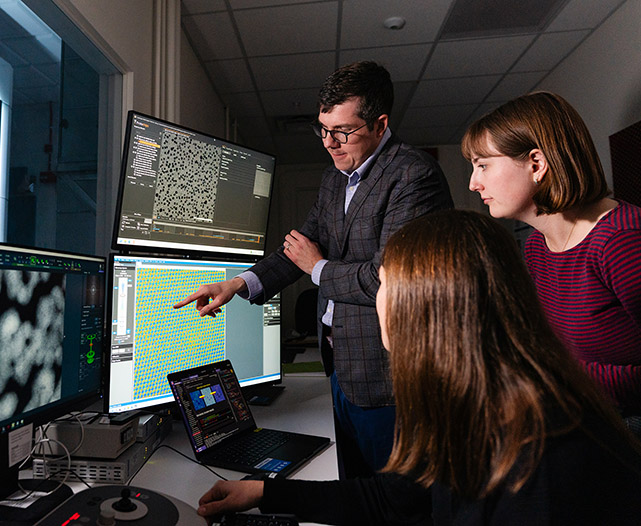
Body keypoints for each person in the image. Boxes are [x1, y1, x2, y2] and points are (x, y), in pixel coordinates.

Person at [196, 210, 641, 525]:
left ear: (428, 306)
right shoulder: (476, 407)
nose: (376, 301)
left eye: (385, 284)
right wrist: (263, 493)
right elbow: (398, 496)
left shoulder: (543, 463)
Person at [174, 61, 453, 479]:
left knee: (393, 501)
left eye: (343, 131)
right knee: (354, 492)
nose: (329, 143)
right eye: (323, 129)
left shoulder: (413, 176)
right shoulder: (333, 179)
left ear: (379, 124)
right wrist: (237, 283)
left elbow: (390, 280)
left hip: (389, 377)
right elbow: (296, 249)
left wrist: (318, 267)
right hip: (339, 364)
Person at [462, 92, 641, 427]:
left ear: (537, 164)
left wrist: (559, 378)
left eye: (483, 165)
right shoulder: (536, 248)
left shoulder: (621, 242)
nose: (474, 183)